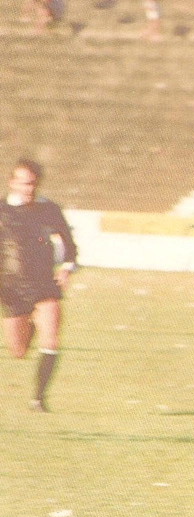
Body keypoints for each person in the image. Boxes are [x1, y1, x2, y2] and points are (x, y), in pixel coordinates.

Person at [0, 158, 77, 412]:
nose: (28, 188)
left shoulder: (49, 209)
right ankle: (29, 325)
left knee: (52, 341)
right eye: (23, 183)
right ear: (12, 183)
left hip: (44, 284)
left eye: (32, 183)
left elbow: (70, 245)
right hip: (11, 288)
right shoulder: (2, 211)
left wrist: (66, 268)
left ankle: (39, 399)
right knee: (19, 351)